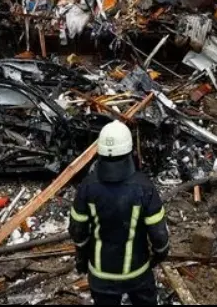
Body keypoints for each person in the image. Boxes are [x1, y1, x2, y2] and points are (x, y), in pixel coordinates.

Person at [69, 121, 170, 306]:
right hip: (137, 273)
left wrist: (82, 258)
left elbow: (77, 230)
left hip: (101, 275)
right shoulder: (144, 187)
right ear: (130, 151)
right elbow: (159, 234)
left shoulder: (87, 186)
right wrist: (160, 253)